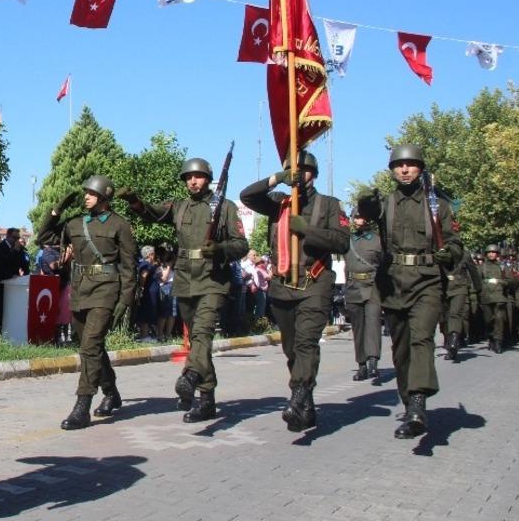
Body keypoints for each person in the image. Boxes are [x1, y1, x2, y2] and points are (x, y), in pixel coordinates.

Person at [120, 157, 249, 422]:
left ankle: (190, 377)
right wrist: (135, 201)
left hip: (213, 279)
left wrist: (221, 249)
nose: (192, 181)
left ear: (208, 178)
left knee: (202, 335)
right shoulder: (179, 207)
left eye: (198, 176)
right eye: (188, 177)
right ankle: (207, 399)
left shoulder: (224, 207)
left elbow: (242, 245)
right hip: (186, 280)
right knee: (196, 340)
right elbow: (154, 212)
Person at [357, 144, 461, 439]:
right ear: (391, 171)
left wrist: (447, 253)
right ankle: (410, 403)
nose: (404, 170)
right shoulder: (386, 203)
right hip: (392, 283)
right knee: (401, 351)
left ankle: (417, 402)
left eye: (411, 165)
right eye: (398, 165)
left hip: (427, 280)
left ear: (420, 168)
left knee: (422, 339)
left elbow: (455, 244)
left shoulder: (437, 205)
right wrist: (365, 200)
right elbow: (366, 211)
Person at [240, 151, 349, 432]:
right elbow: (247, 196)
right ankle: (307, 399)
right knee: (291, 349)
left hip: (315, 283)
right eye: (294, 171)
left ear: (314, 173)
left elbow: (342, 242)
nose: (300, 176)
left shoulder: (329, 205)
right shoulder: (279, 204)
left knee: (306, 343)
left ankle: (298, 393)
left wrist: (309, 232)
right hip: (282, 285)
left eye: (305, 171)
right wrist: (277, 179)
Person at [36, 175, 136, 429]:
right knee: (91, 346)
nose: (86, 197)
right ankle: (111, 392)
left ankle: (83, 405)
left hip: (106, 290)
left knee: (90, 345)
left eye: (91, 193)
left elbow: (128, 267)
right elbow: (43, 236)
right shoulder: (75, 223)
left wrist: (125, 300)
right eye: (86, 193)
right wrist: (57, 209)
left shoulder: (119, 225)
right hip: (80, 290)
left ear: (104, 196)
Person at [343, 209, 384, 381]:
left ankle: (373, 362)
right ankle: (362, 365)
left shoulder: (378, 241)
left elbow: (385, 265)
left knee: (373, 323)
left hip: (373, 286)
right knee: (358, 328)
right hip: (353, 286)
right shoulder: (348, 240)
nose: (359, 220)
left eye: (362, 217)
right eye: (356, 217)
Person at [441, 235, 482, 361]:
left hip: (459, 287)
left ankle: (453, 339)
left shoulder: (465, 255)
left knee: (455, 314)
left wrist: (478, 289)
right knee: (444, 319)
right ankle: (451, 345)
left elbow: (473, 271)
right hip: (443, 289)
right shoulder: (440, 253)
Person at [479, 244, 508, 354]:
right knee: (488, 320)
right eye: (489, 252)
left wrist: (499, 281)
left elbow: (509, 281)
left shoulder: (502, 267)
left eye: (493, 252)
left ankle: (498, 341)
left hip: (499, 297)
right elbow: (477, 281)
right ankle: (491, 336)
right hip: (486, 297)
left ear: (497, 254)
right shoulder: (482, 267)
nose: (491, 254)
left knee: (499, 318)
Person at [135, 246, 160, 341]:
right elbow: (143, 276)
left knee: (148, 312)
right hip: (148, 293)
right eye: (153, 253)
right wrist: (142, 287)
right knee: (146, 312)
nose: (154, 255)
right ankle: (144, 336)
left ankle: (145, 334)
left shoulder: (147, 264)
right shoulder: (146, 264)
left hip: (150, 292)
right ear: (150, 255)